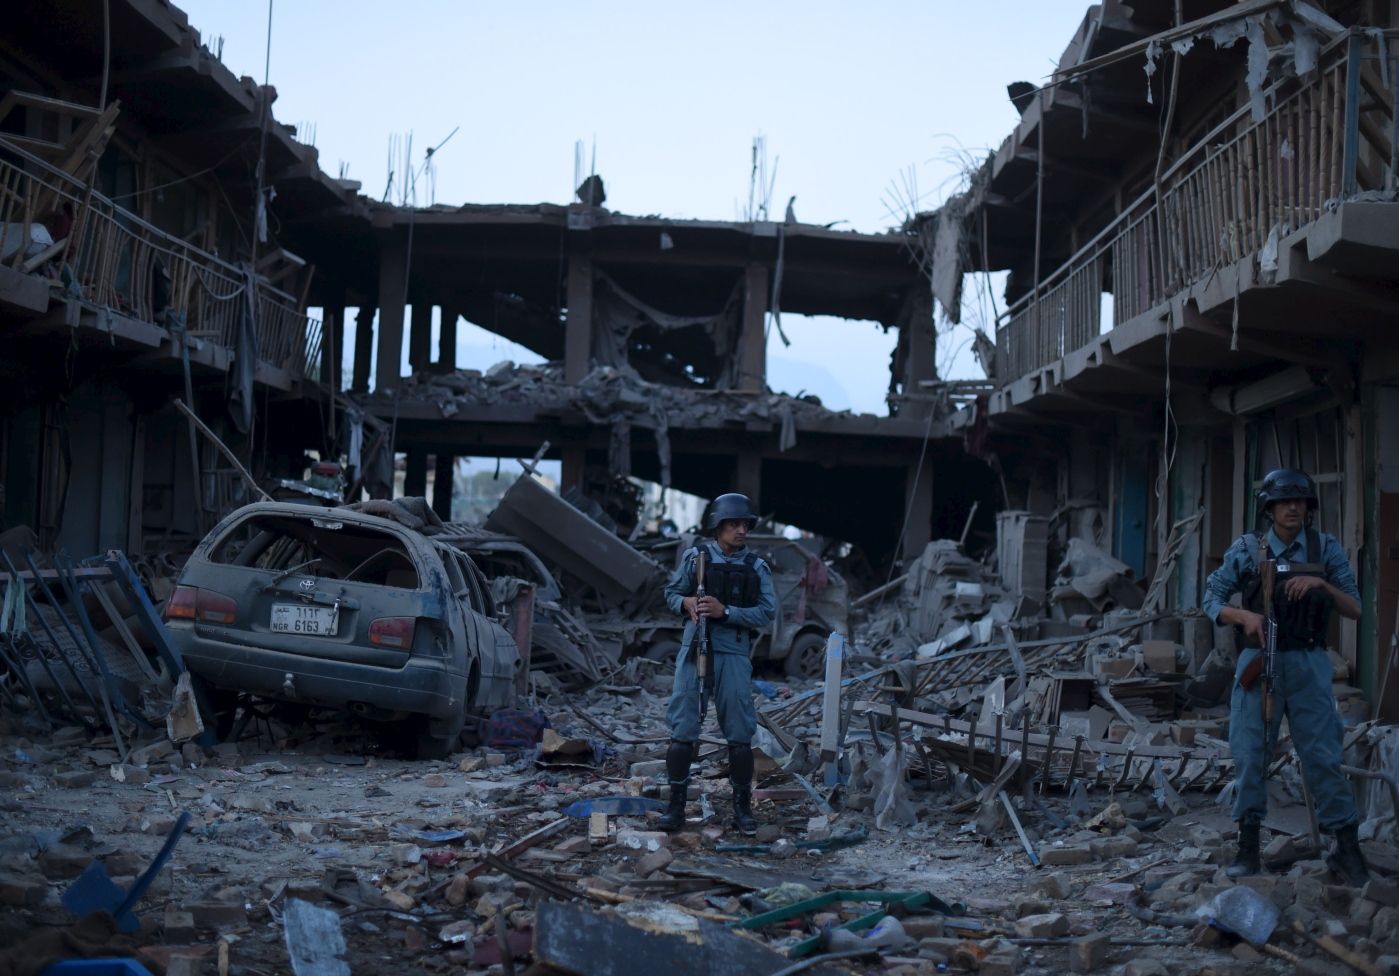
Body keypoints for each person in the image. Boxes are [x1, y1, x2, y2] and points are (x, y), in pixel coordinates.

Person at [1202, 468, 1368, 885]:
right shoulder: (1248, 548)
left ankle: (1345, 848)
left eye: (1301, 502)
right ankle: (1248, 846)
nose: (1293, 508)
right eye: (1283, 501)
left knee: (1323, 757)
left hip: (1309, 663)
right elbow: (1210, 598)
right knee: (1251, 755)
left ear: (1309, 508)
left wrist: (1323, 586)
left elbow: (1356, 608)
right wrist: (1244, 616)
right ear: (1269, 508)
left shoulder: (1324, 548)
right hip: (1259, 661)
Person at [656, 492, 776, 835]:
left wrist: (728, 612)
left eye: (745, 525)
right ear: (718, 526)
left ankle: (742, 810)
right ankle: (675, 807)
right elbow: (670, 593)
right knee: (682, 729)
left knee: (739, 733)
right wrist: (687, 603)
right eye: (734, 525)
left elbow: (767, 612)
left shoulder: (756, 566)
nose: (741, 531)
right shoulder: (696, 558)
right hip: (695, 648)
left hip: (734, 653)